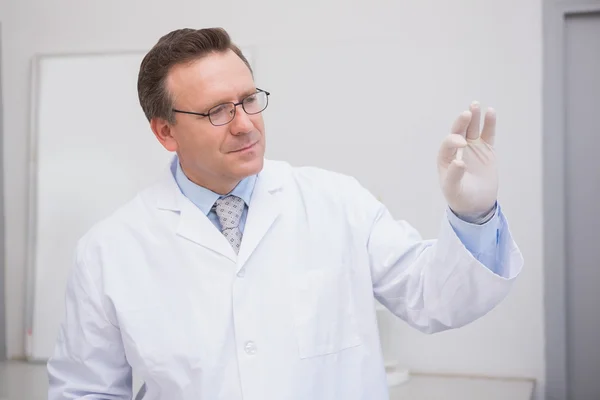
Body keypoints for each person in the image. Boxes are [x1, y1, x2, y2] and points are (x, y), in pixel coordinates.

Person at [47, 27, 523, 400]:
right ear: (165, 132)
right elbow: (86, 391)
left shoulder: (337, 202)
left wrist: (474, 214)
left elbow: (435, 299)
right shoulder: (109, 251)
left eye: (249, 100)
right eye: (217, 111)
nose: (245, 125)